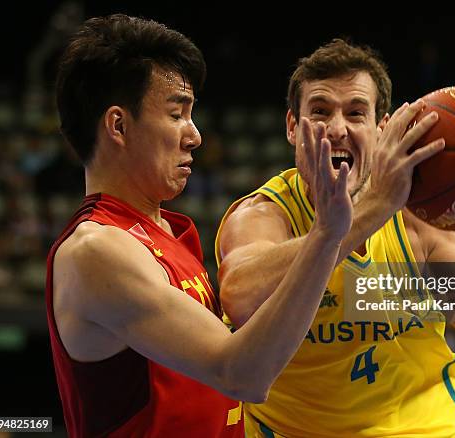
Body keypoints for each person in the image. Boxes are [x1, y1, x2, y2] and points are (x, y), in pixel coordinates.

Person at [46, 15, 353, 438]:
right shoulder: (95, 252)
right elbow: (241, 373)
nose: (195, 136)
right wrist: (325, 238)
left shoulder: (170, 232)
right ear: (118, 125)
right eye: (177, 114)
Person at [216, 39, 455, 437]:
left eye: (356, 113)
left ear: (381, 128)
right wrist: (373, 209)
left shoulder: (418, 226)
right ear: (291, 127)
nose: (337, 128)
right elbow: (240, 297)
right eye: (320, 111)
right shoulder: (265, 215)